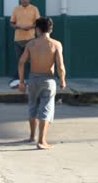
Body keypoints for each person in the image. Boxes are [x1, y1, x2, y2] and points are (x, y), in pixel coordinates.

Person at [18, 17, 66, 150]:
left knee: (32, 107)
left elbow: (21, 62)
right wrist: (62, 80)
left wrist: (21, 81)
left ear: (37, 29)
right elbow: (60, 66)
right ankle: (42, 141)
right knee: (46, 109)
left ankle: (32, 136)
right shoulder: (56, 44)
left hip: (33, 79)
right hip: (48, 80)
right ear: (51, 29)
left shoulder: (31, 44)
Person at [9, 0, 40, 88]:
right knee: (20, 60)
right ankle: (19, 79)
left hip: (30, 39)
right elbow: (11, 23)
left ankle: (33, 79)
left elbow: (38, 23)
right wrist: (18, 27)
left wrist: (30, 27)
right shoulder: (16, 9)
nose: (24, 0)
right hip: (18, 39)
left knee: (31, 60)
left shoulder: (34, 9)